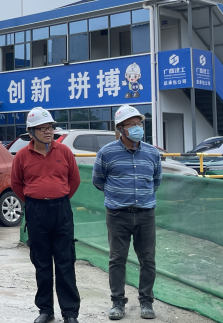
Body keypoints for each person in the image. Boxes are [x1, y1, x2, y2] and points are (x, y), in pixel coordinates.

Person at [11, 107, 81, 323]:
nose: (48, 131)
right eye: (42, 128)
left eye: (50, 127)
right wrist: (36, 199)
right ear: (31, 132)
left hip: (61, 210)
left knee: (65, 262)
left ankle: (70, 312)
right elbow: (16, 184)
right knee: (41, 263)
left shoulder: (64, 152)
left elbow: (74, 180)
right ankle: (45, 310)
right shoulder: (22, 155)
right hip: (36, 211)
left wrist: (58, 197)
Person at [93, 105, 161, 320]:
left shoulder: (152, 153)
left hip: (145, 214)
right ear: (120, 128)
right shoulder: (106, 153)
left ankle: (146, 301)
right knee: (117, 259)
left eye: (139, 123)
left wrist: (141, 197)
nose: (137, 127)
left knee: (148, 260)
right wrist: (118, 197)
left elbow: (156, 181)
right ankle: (117, 302)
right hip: (117, 215)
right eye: (131, 124)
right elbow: (98, 180)